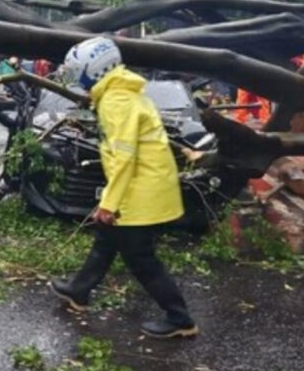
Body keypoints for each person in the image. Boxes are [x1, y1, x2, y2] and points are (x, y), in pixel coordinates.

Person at [49, 37, 198, 339]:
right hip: (143, 184)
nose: (76, 79)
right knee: (106, 239)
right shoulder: (122, 93)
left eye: (78, 72)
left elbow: (123, 159)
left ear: (93, 71)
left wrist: (109, 203)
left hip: (141, 190)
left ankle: (180, 318)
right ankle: (79, 291)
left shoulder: (116, 101)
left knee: (140, 257)